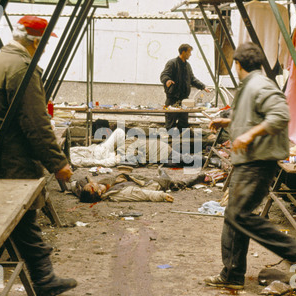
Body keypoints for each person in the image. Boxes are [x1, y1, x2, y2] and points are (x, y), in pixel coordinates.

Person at [0, 16, 76, 296]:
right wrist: (58, 164)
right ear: (36, 42)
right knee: (22, 221)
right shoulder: (21, 68)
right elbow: (36, 123)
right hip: (9, 159)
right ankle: (42, 279)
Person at [204, 42, 296, 290]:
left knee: (239, 215)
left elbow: (279, 115)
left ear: (238, 64)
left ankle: (295, 251)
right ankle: (232, 275)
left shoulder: (260, 85)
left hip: (257, 163)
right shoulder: (250, 87)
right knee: (233, 217)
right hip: (247, 162)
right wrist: (227, 121)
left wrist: (248, 136)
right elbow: (252, 115)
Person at [70, 127, 204, 168]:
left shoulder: (126, 147)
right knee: (181, 161)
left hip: (159, 151)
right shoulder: (126, 144)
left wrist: (118, 158)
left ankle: (207, 160)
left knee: (184, 159)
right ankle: (205, 160)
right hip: (158, 155)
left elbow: (134, 161)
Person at [70, 168, 206, 203]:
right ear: (97, 193)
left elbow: (77, 184)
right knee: (169, 182)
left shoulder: (100, 186)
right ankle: (193, 180)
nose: (91, 183)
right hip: (151, 186)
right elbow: (141, 194)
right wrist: (162, 196)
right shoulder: (117, 194)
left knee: (163, 178)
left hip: (138, 180)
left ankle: (163, 175)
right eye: (91, 186)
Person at [160, 44, 210, 131]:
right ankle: (171, 141)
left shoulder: (187, 66)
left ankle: (182, 142)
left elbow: (192, 79)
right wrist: (167, 80)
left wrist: (203, 87)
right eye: (189, 52)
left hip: (184, 100)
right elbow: (164, 75)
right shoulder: (172, 63)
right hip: (172, 99)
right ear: (183, 52)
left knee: (183, 124)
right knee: (170, 123)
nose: (190, 54)